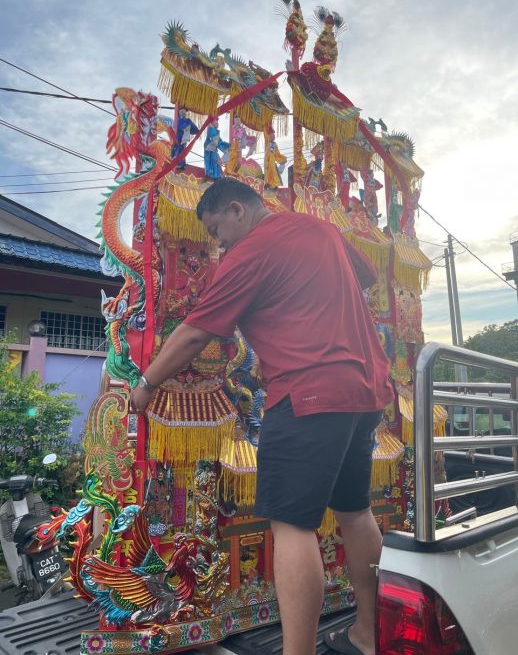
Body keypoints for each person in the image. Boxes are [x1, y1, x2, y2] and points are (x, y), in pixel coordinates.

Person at [132, 177, 393, 655]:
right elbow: (365, 278)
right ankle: (370, 635)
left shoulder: (251, 250)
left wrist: (147, 384)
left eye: (216, 230)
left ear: (237, 209)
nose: (217, 243)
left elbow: (194, 334)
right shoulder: (319, 229)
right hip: (366, 389)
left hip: (309, 392)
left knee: (292, 525)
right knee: (355, 512)